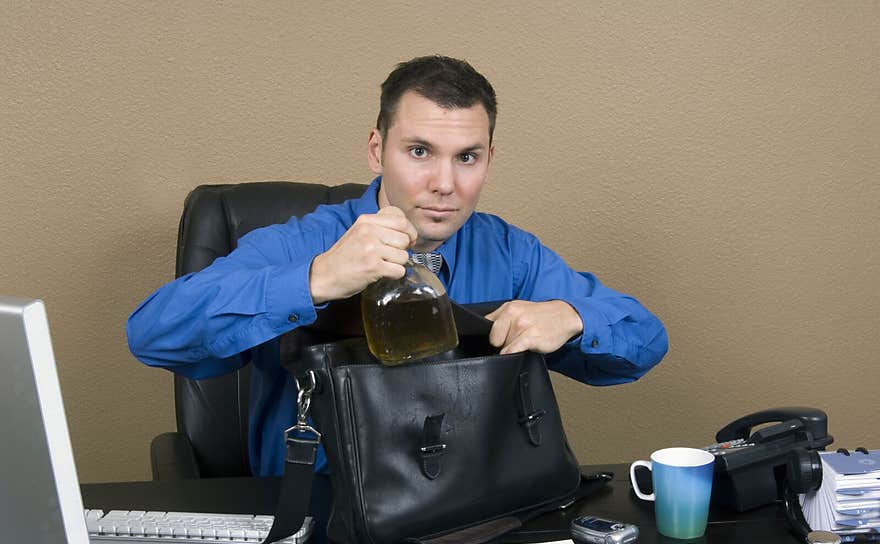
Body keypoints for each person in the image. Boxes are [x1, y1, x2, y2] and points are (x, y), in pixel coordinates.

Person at [127, 55, 668, 476]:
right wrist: (317, 279)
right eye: (418, 152)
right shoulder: (303, 242)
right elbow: (151, 333)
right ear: (376, 150)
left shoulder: (512, 253)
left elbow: (645, 341)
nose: (444, 184)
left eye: (467, 157)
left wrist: (572, 316)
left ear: (488, 160)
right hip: (321, 513)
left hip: (471, 513)